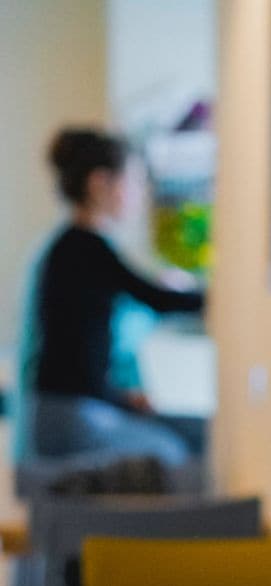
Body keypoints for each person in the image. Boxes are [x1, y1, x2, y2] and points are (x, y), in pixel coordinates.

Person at [15, 127, 203, 466]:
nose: (138, 194)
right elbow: (156, 298)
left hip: (67, 410)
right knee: (169, 456)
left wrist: (120, 400)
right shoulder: (85, 248)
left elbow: (77, 355)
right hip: (68, 417)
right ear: (100, 184)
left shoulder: (69, 248)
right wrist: (215, 299)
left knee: (186, 439)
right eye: (132, 182)